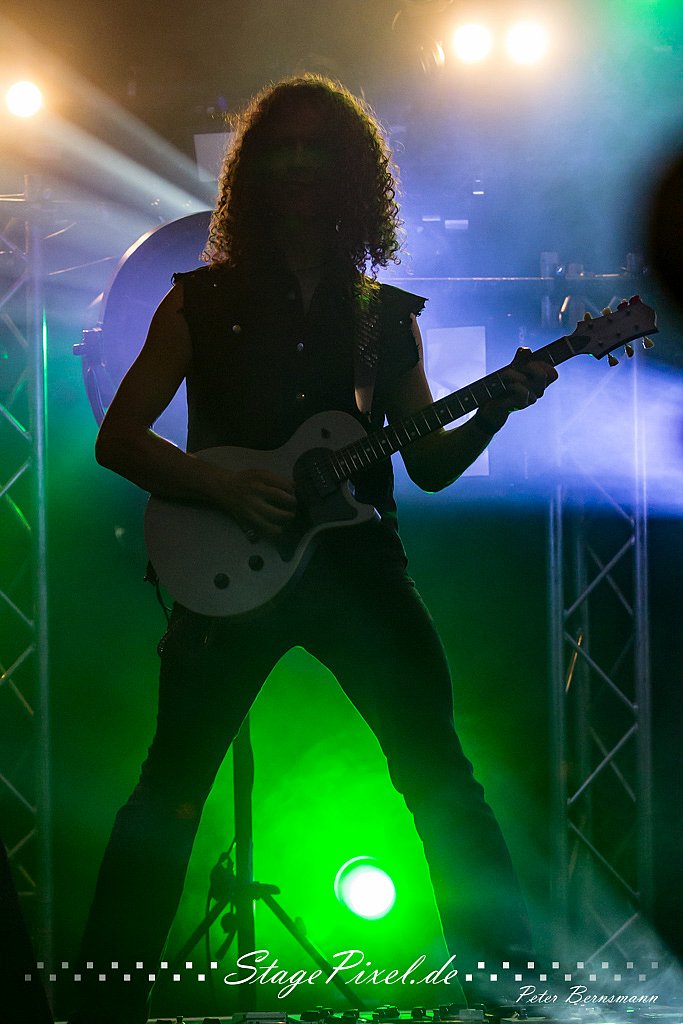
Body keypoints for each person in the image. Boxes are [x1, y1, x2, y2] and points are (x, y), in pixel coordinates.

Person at [69, 74, 557, 1024]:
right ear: (250, 173)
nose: (296, 165)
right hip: (227, 570)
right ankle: (101, 1006)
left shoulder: (386, 316)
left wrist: (496, 409)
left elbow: (429, 468)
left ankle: (513, 995)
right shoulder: (197, 303)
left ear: (351, 176)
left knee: (439, 777)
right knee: (168, 791)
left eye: (316, 150)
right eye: (280, 149)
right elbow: (118, 439)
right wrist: (218, 484)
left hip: (359, 571)